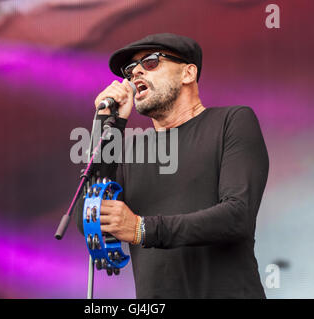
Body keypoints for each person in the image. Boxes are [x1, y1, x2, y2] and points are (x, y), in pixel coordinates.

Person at [75, 33, 269, 298]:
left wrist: (142, 229)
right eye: (130, 70)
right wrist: (108, 127)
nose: (136, 74)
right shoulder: (132, 151)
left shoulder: (231, 122)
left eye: (151, 62)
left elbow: (238, 216)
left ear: (188, 73)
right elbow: (89, 216)